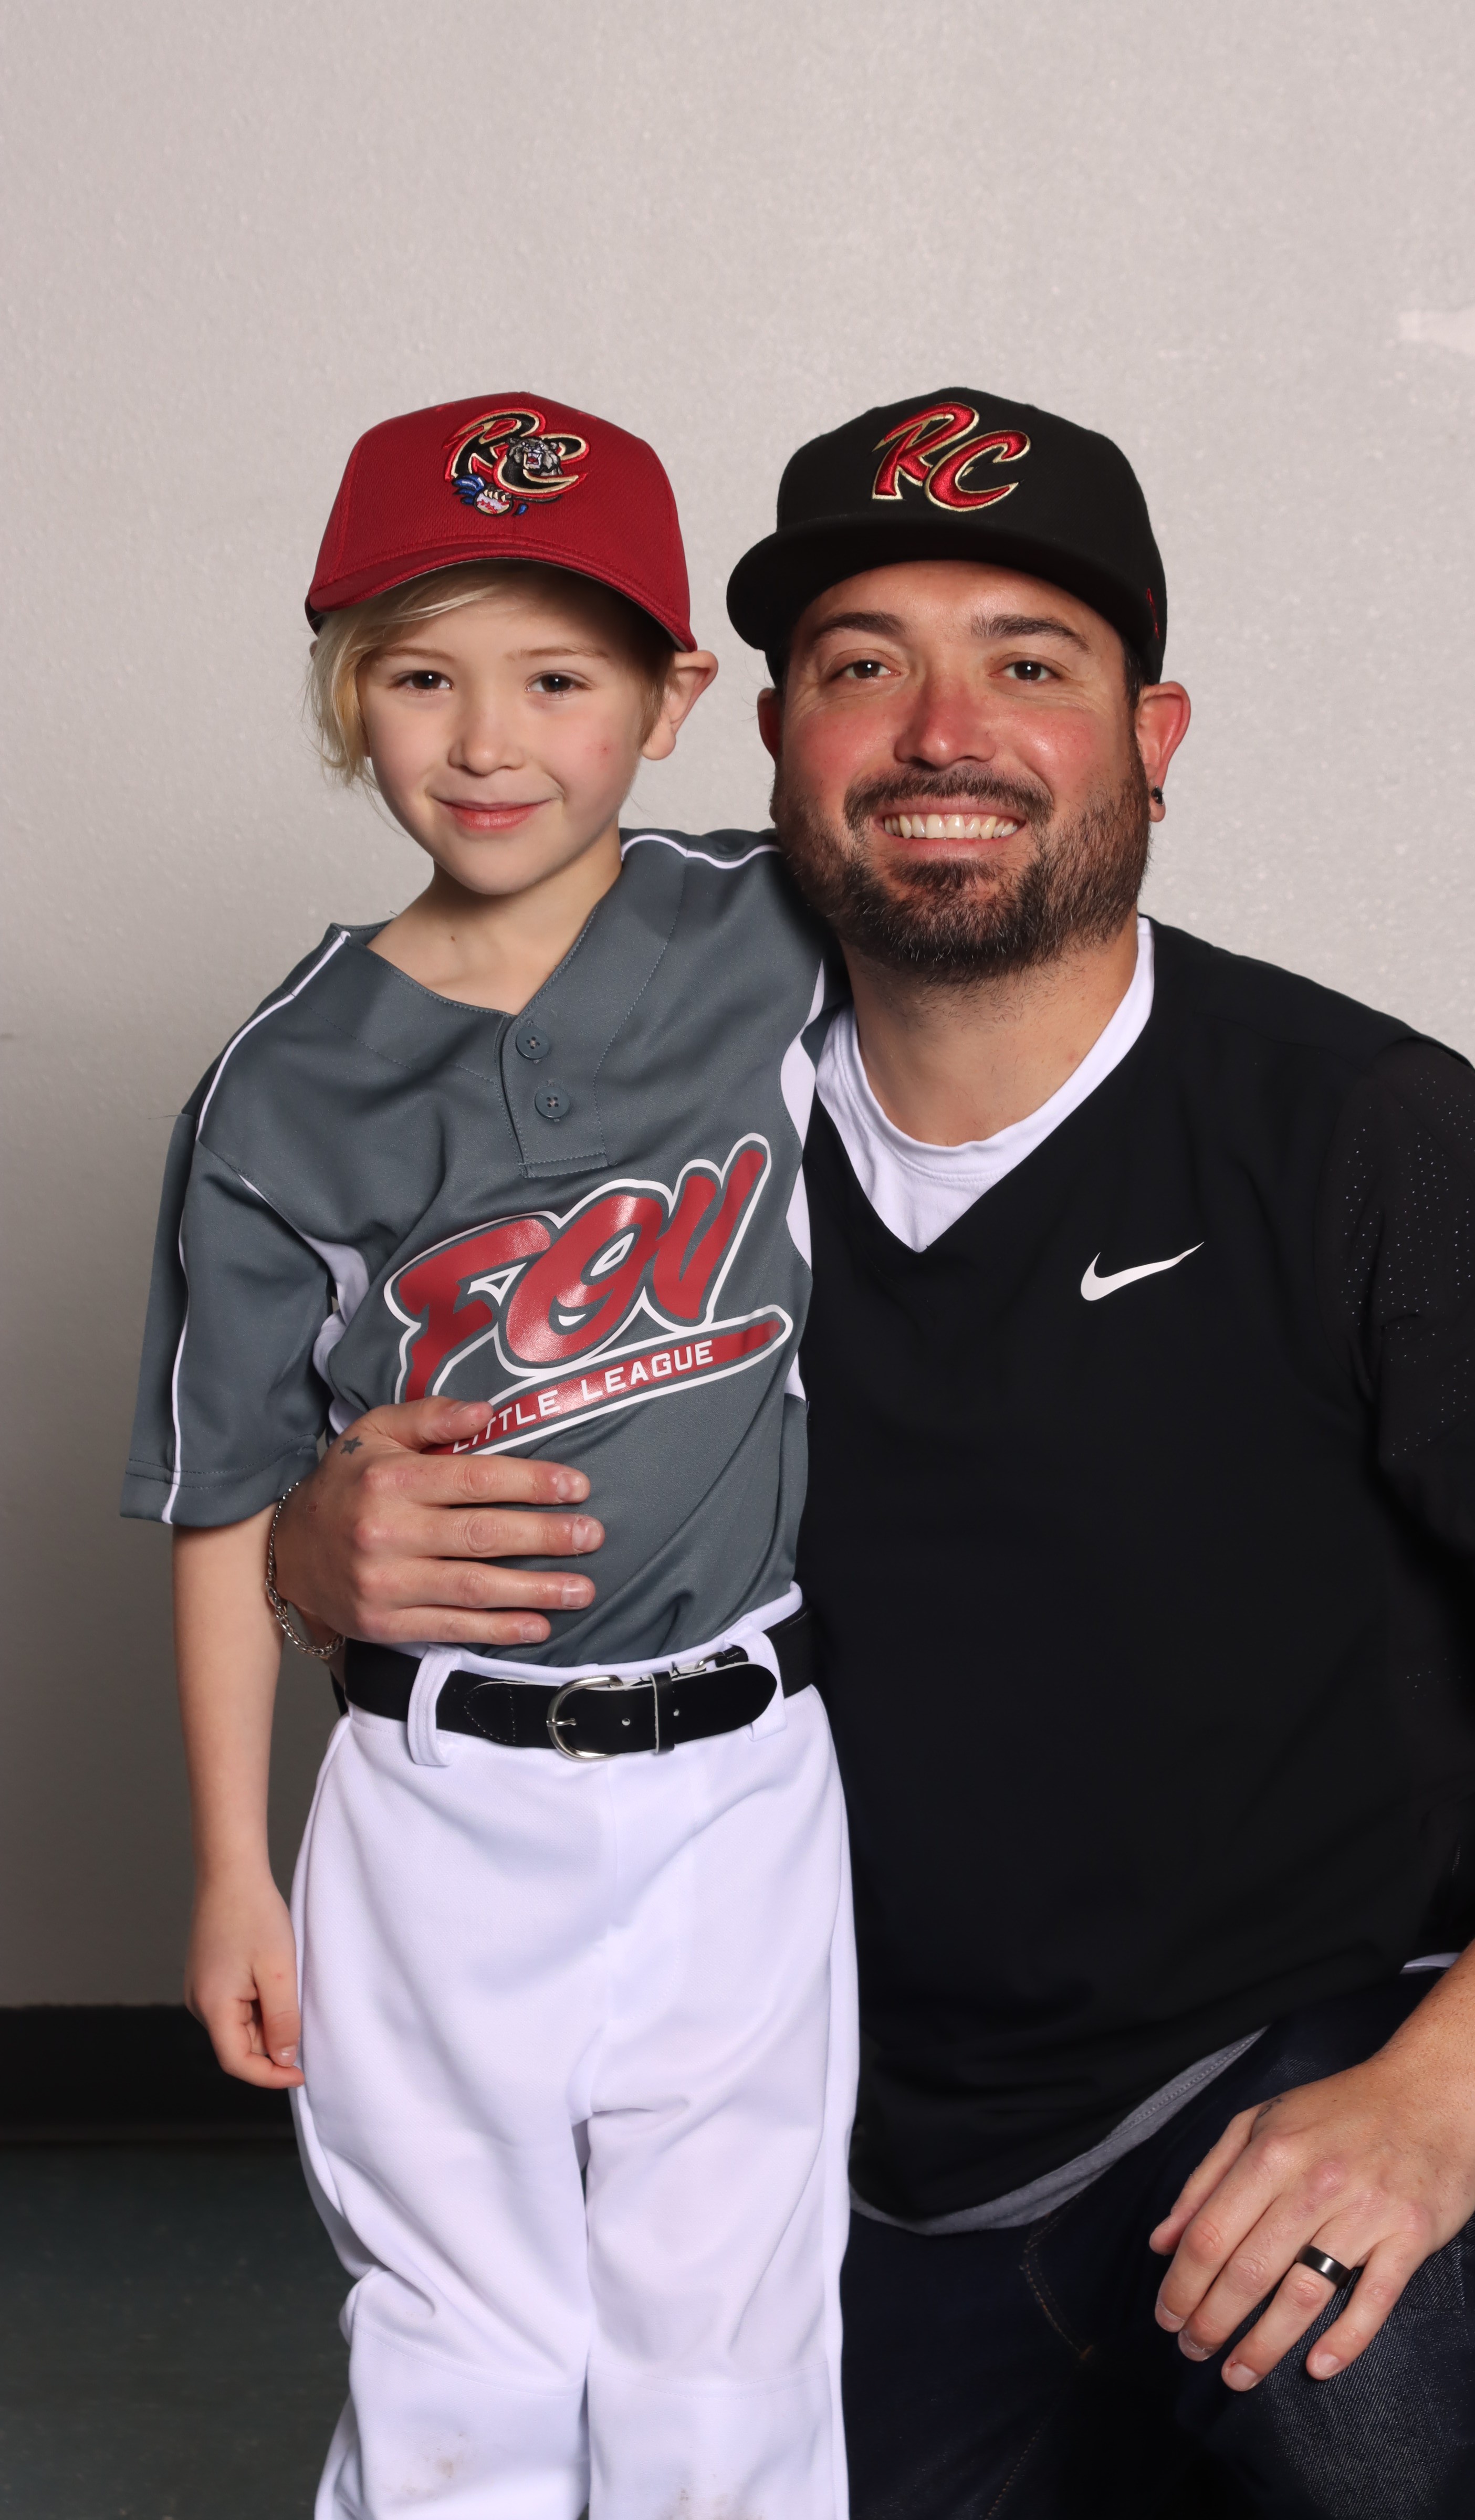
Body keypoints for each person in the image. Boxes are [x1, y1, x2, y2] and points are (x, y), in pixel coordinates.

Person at [268, 389, 1475, 2519]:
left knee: (1345, 2377)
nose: (944, 732)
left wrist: (1435, 2097)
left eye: (1029, 663)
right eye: (865, 666)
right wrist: (313, 1559)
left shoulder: (1368, 1145)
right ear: (772, 742)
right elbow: (475, 1609)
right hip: (866, 2117)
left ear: (1151, 740)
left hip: (1317, 2038)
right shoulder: (633, 1157)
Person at [122, 393, 856, 2520]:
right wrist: (231, 1867)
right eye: (420, 678)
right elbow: (221, 1498)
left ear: (673, 701)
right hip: (439, 1785)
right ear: (345, 699)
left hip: (745, 1770)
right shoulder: (284, 1084)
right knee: (464, 2346)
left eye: (557, 679)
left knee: (731, 2338)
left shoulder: (772, 923)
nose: (486, 740)